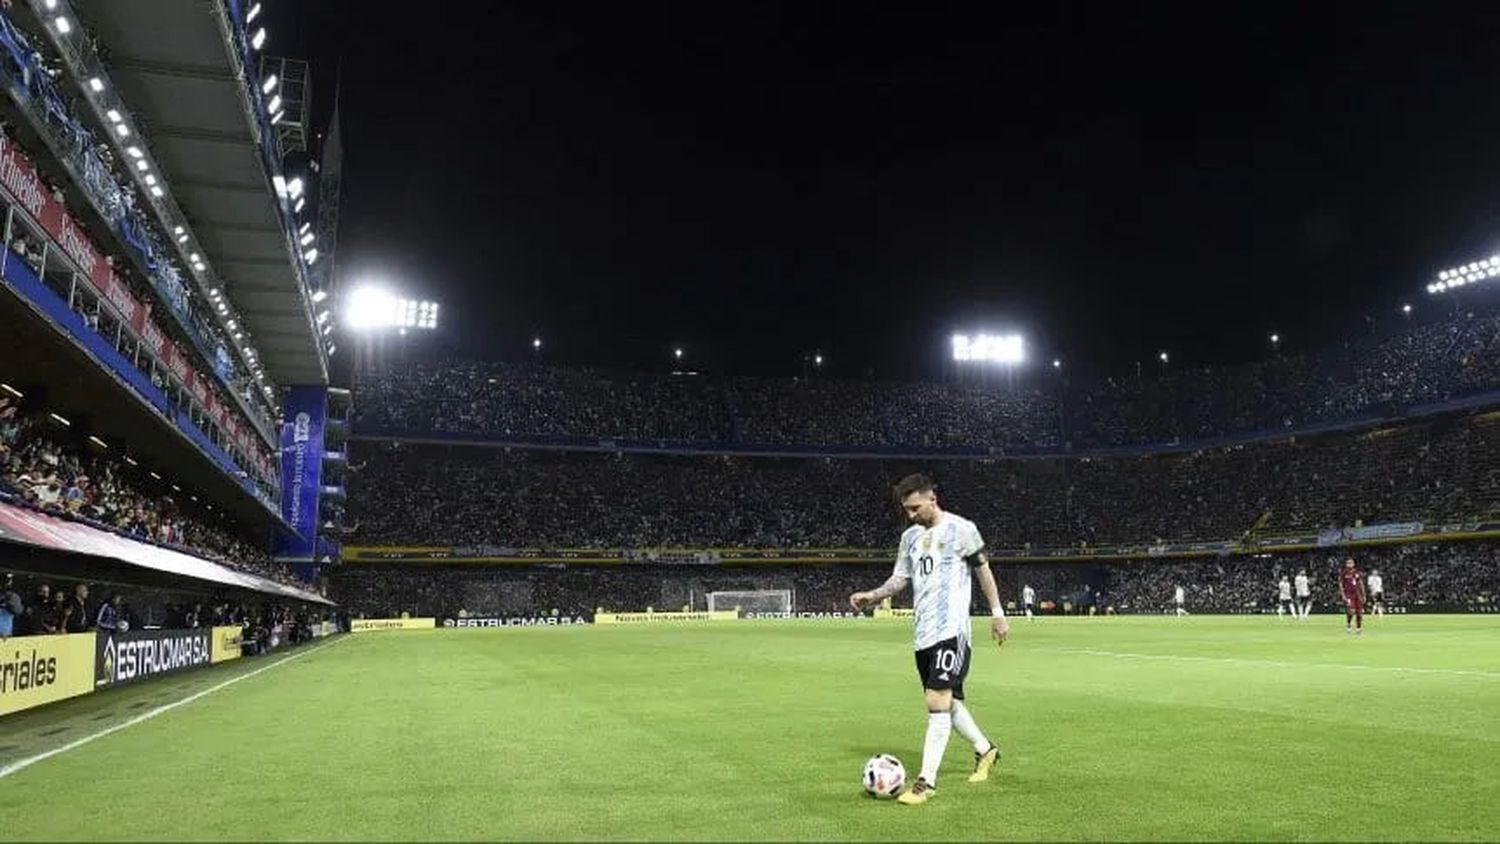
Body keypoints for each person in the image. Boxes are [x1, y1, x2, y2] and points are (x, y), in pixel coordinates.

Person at [848, 473, 1008, 806]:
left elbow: (983, 571)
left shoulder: (962, 529)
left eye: (915, 507)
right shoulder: (909, 537)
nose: (911, 515)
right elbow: (899, 579)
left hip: (952, 630)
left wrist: (997, 613)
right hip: (923, 635)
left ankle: (926, 782)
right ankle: (986, 751)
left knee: (936, 701)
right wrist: (873, 596)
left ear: (932, 499)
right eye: (906, 509)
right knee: (949, 704)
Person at [1340, 557, 1366, 635]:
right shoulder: (1344, 573)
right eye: (1348, 563)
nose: (1350, 564)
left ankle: (1358, 628)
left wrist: (1364, 595)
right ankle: (1348, 625)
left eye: (1351, 563)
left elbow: (1361, 583)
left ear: (1354, 564)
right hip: (1349, 595)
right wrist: (1343, 595)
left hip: (1358, 594)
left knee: (1359, 613)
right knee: (1351, 611)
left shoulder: (1357, 572)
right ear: (1346, 564)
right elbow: (1341, 585)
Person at [0, 572, 20, 637]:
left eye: (8, 581)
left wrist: (6, 603)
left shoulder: (13, 596)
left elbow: (17, 611)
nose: (7, 584)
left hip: (5, 633)